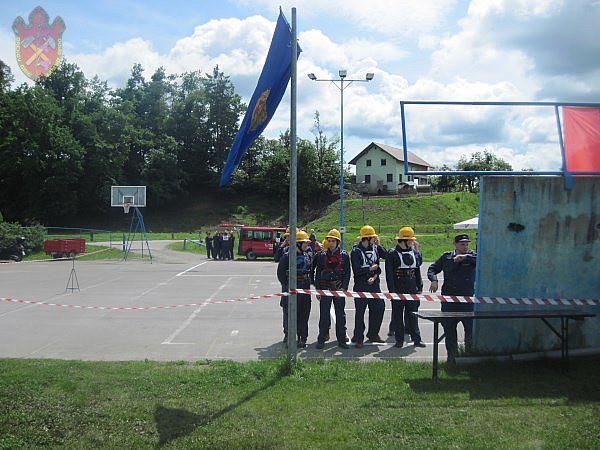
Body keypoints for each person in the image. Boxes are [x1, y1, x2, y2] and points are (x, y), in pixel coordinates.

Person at [427, 233, 477, 363]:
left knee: (470, 331)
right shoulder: (446, 257)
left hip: (466, 302)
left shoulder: (472, 256)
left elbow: (481, 260)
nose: (465, 246)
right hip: (449, 302)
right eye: (462, 244)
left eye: (467, 244)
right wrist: (434, 280)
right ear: (455, 244)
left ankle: (469, 358)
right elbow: (432, 268)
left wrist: (465, 257)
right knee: (449, 330)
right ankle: (452, 358)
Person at [385, 227, 426, 348]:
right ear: (403, 240)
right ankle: (399, 340)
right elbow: (389, 274)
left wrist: (419, 286)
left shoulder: (413, 252)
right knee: (398, 316)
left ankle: (417, 339)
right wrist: (392, 291)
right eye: (410, 240)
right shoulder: (392, 253)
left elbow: (417, 269)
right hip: (398, 287)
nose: (413, 242)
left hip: (411, 287)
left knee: (413, 315)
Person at [313, 229, 351, 349]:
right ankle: (322, 338)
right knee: (324, 315)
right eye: (329, 241)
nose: (331, 243)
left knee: (340, 315)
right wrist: (318, 290)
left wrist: (344, 287)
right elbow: (318, 273)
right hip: (325, 288)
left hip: (339, 288)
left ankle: (341, 339)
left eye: (333, 241)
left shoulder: (344, 255)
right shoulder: (321, 255)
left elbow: (347, 273)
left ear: (338, 242)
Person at [276, 230, 314, 348]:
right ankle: (290, 337)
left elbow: (310, 272)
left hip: (305, 290)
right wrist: (288, 286)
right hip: (292, 291)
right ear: (298, 243)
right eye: (305, 243)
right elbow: (281, 274)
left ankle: (303, 338)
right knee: (291, 315)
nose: (307, 245)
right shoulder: (287, 256)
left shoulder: (307, 255)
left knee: (304, 315)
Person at [350, 225, 385, 348]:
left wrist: (374, 277)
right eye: (373, 238)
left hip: (374, 284)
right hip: (361, 285)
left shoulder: (375, 249)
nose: (374, 240)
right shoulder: (356, 251)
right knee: (360, 312)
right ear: (367, 238)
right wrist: (369, 269)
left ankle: (373, 334)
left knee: (379, 308)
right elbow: (357, 269)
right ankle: (358, 337)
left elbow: (381, 264)